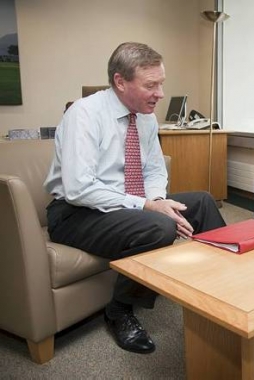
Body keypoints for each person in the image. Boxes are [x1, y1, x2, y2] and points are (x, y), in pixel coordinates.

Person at [44, 42, 226, 354]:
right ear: (120, 81)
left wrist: (158, 198)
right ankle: (118, 311)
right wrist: (147, 205)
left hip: (128, 205)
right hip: (75, 213)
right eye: (151, 85)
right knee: (159, 227)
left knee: (203, 201)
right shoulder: (84, 115)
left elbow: (154, 169)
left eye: (162, 83)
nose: (160, 94)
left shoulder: (145, 117)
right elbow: (79, 188)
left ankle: (222, 289)